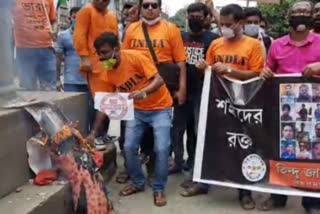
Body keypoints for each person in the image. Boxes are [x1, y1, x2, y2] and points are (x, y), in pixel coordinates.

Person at [89, 32, 173, 207]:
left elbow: (159, 80)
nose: (102, 57)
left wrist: (144, 92)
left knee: (162, 148)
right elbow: (104, 104)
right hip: (136, 111)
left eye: (105, 52)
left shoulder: (136, 57)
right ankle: (137, 182)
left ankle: (159, 188)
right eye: (99, 53)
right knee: (128, 147)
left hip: (160, 108)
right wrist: (93, 132)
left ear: (116, 49)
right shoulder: (106, 72)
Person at [197, 4, 264, 210]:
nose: (224, 28)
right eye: (222, 24)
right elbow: (208, 72)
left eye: (229, 24)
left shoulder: (253, 45)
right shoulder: (216, 44)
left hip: (244, 104)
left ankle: (245, 193)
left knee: (243, 145)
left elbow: (256, 74)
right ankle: (204, 182)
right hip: (219, 103)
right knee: (212, 142)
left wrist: (229, 69)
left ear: (240, 23)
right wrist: (203, 68)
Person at [260, 1, 320, 213]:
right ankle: (278, 197)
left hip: (312, 113)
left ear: (312, 15)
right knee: (280, 152)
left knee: (310, 153)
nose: (300, 15)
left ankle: (312, 201)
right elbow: (268, 70)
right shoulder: (277, 45)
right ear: (288, 16)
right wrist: (265, 73)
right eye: (296, 12)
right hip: (283, 110)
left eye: (305, 11)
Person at [170, 2, 219, 197]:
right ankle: (178, 162)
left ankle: (194, 170)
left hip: (202, 93)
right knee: (177, 129)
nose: (193, 18)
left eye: (198, 15)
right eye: (191, 15)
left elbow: (218, 62)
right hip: (182, 91)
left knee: (197, 133)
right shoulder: (180, 37)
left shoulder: (213, 39)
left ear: (206, 18)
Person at [73, 0, 118, 95]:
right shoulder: (86, 11)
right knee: (101, 98)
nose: (102, 1)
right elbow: (79, 36)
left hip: (111, 63)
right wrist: (84, 58)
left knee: (111, 97)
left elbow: (116, 39)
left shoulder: (112, 16)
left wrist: (119, 60)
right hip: (95, 64)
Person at [13, 0, 58, 90]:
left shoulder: (49, 1)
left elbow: (54, 21)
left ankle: (48, 104)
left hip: (46, 48)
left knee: (49, 88)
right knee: (27, 88)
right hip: (24, 49)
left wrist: (54, 31)